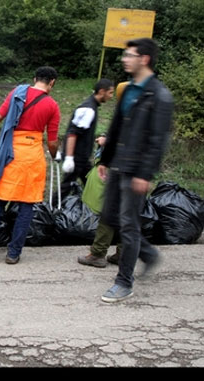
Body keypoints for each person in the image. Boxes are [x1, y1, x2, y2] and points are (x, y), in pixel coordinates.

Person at [97, 38, 174, 303]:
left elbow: (158, 139)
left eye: (130, 55)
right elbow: (116, 127)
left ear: (145, 59)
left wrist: (145, 174)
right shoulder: (128, 89)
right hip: (118, 162)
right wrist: (104, 160)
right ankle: (149, 253)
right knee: (109, 216)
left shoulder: (159, 95)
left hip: (136, 169)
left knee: (129, 225)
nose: (124, 59)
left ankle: (123, 282)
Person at [0, 66, 61, 265]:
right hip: (33, 157)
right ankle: (13, 254)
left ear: (34, 77)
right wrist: (55, 156)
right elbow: (52, 142)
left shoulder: (17, 93)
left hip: (11, 155)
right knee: (26, 207)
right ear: (52, 82)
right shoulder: (52, 106)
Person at [78, 81, 129, 268]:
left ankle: (98, 253)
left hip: (119, 169)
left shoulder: (126, 112)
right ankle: (123, 254)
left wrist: (104, 142)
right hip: (134, 171)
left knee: (109, 212)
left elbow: (120, 141)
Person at [60, 79, 114, 202]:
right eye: (110, 93)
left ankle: (90, 208)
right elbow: (73, 134)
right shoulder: (88, 109)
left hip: (82, 159)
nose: (111, 96)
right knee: (65, 188)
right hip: (76, 159)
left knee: (90, 182)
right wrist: (69, 158)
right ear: (102, 91)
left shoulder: (92, 107)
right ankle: (49, 210)